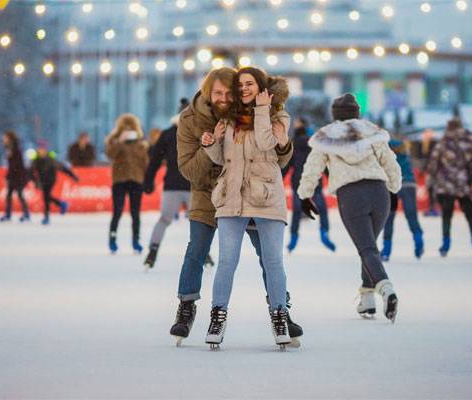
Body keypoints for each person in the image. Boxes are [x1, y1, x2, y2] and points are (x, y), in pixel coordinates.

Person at [170, 67, 300, 346]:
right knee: (198, 251)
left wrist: (283, 145)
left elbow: (275, 152)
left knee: (270, 259)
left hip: (254, 195)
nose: (226, 97)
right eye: (219, 93)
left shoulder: (257, 112)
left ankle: (281, 312)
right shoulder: (191, 120)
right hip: (211, 194)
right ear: (208, 92)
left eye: (230, 92)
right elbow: (191, 170)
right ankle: (187, 306)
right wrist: (211, 144)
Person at [297, 93, 403, 321]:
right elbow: (390, 162)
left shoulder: (326, 136)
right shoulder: (372, 131)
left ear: (335, 115)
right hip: (379, 192)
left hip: (351, 195)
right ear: (357, 113)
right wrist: (393, 189)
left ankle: (386, 289)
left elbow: (312, 168)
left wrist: (305, 196)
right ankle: (367, 299)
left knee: (367, 249)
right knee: (370, 246)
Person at [425, 118, 472, 257]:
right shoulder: (470, 141)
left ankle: (445, 245)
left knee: (447, 215)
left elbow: (433, 164)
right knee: (470, 215)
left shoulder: (443, 143)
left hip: (445, 185)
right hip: (465, 185)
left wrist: (431, 182)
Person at [142, 102, 190, 269]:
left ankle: (153, 250)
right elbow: (155, 159)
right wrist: (148, 180)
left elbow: (155, 159)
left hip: (182, 186)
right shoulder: (171, 134)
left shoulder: (169, 134)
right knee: (197, 223)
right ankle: (153, 251)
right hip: (185, 186)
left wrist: (148, 180)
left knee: (166, 220)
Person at [282, 117, 334, 253]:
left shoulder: (292, 144)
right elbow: (322, 163)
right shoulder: (314, 143)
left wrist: (278, 178)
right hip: (314, 182)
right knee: (322, 209)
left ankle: (293, 239)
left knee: (297, 212)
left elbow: (287, 166)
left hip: (298, 184)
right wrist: (332, 178)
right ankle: (324, 233)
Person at [105, 114, 150, 254]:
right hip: (119, 180)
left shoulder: (141, 144)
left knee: (135, 213)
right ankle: (112, 238)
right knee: (117, 211)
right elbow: (110, 155)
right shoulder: (115, 141)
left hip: (136, 181)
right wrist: (119, 141)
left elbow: (145, 164)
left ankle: (136, 240)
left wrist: (148, 181)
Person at [382, 136, 423, 260]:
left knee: (389, 217)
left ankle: (386, 251)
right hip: (409, 185)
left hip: (393, 187)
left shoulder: (386, 155)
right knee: (411, 215)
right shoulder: (405, 154)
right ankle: (418, 240)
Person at [29, 139, 78, 225]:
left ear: (46, 149)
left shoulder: (50, 158)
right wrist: (35, 181)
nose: (42, 151)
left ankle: (47, 216)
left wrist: (72, 175)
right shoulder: (35, 159)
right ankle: (61, 204)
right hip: (42, 180)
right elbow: (31, 171)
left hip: (50, 180)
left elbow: (62, 168)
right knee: (46, 197)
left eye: (43, 149)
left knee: (46, 197)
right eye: (40, 149)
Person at [0, 131, 30, 222]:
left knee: (20, 194)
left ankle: (26, 214)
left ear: (9, 138)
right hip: (14, 175)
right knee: (9, 195)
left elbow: (16, 164)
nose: (3, 140)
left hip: (18, 176)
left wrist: (9, 175)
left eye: (5, 138)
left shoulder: (15, 148)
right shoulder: (9, 148)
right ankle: (8, 214)